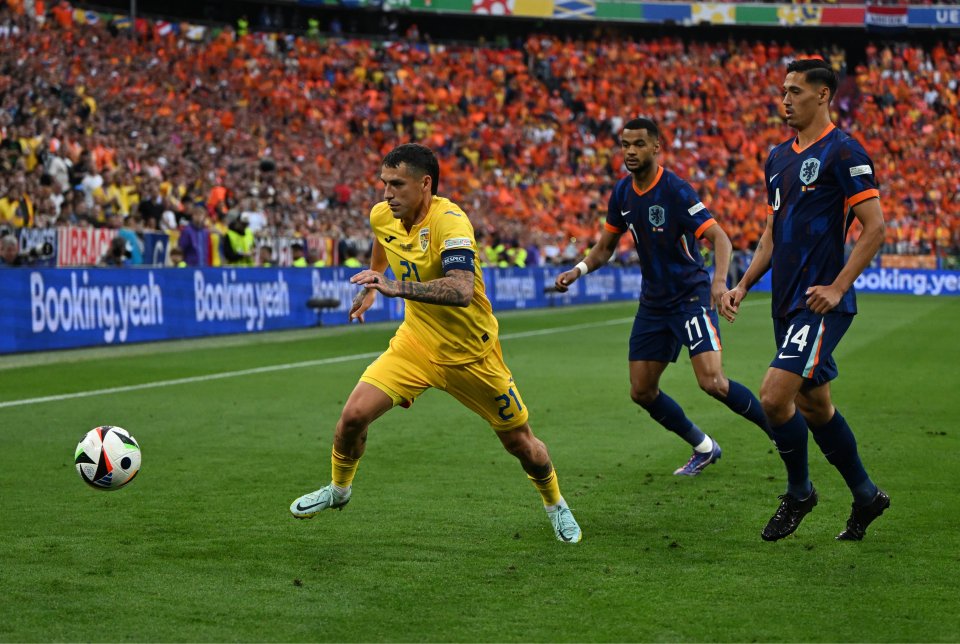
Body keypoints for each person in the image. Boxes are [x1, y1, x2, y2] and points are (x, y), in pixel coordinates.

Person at [289, 143, 582, 543]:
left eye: (397, 184)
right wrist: (374, 283)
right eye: (383, 183)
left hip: (472, 355)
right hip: (416, 343)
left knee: (522, 444)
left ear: (425, 184)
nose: (387, 193)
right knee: (352, 417)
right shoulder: (383, 214)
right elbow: (383, 240)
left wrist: (395, 286)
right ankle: (339, 491)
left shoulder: (451, 223)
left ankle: (556, 504)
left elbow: (462, 290)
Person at [721, 59, 889, 542]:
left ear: (823, 95)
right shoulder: (777, 158)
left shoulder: (844, 152)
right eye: (782, 91)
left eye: (795, 91)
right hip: (786, 300)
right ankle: (866, 495)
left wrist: (837, 287)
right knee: (816, 407)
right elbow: (772, 232)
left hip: (820, 302)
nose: (785, 100)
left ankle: (799, 493)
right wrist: (744, 283)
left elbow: (874, 227)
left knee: (775, 397)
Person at [555, 117, 771, 477]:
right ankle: (704, 446)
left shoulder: (675, 190)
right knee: (641, 391)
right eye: (625, 145)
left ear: (656, 147)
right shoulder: (622, 193)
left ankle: (782, 433)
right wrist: (577, 271)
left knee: (712, 382)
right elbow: (605, 248)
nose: (630, 152)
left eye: (638, 144)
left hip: (690, 297)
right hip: (654, 304)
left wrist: (719, 283)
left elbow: (721, 238)